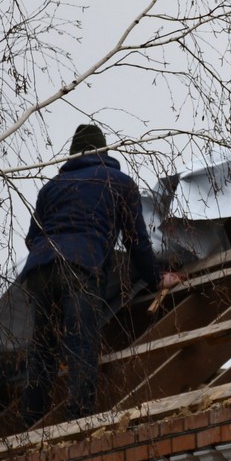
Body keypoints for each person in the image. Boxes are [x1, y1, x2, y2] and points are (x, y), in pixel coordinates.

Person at [19, 124, 184, 425]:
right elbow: (137, 241)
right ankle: (80, 420)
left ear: (72, 156)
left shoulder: (50, 188)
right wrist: (158, 277)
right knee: (82, 341)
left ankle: (30, 425)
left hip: (40, 270)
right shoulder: (119, 182)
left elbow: (32, 238)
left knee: (42, 349)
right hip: (81, 266)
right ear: (103, 152)